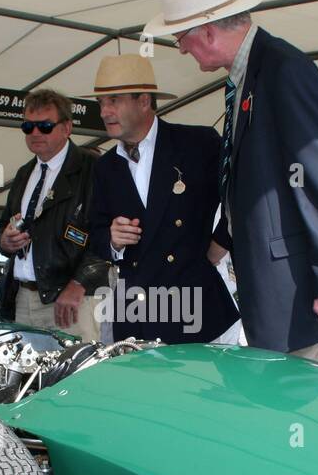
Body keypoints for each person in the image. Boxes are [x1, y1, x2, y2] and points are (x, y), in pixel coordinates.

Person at [145, 0, 318, 369]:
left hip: (308, 297)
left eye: (181, 39)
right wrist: (216, 246)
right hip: (277, 298)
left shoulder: (284, 70)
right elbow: (251, 186)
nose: (182, 50)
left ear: (208, 32)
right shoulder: (245, 77)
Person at [86, 55, 238, 344]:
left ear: (144, 101)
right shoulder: (105, 167)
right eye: (101, 103)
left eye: (114, 100)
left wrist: (220, 244)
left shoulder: (198, 144)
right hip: (136, 316)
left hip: (198, 312)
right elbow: (94, 232)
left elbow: (239, 196)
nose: (105, 112)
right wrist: (112, 239)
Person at [0, 88, 108, 341]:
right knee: (30, 379)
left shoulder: (94, 169)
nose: (35, 133)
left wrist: (78, 284)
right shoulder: (24, 174)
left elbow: (109, 236)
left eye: (45, 126)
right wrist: (4, 240)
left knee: (78, 377)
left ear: (67, 128)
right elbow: (3, 227)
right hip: (21, 298)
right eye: (28, 126)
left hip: (73, 301)